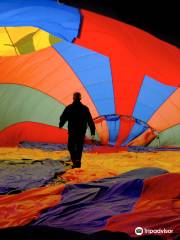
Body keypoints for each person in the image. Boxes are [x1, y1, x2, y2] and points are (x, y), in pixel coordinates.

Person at [59, 92, 95, 168]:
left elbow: (63, 118)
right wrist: (92, 132)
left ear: (73, 98)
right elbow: (90, 121)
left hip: (72, 131)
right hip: (81, 132)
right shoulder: (85, 108)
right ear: (80, 98)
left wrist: (61, 124)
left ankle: (74, 159)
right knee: (79, 146)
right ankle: (78, 161)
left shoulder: (69, 107)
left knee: (70, 146)